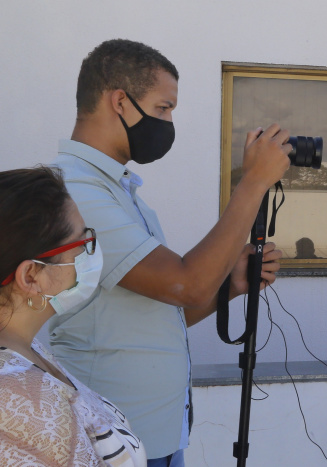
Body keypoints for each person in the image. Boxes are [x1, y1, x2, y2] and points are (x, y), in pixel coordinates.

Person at [48, 39, 292, 466]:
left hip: (151, 435)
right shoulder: (78, 192)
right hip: (110, 443)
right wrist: (252, 183)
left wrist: (229, 288)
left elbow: (159, 312)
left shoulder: (117, 190)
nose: (169, 121)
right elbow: (184, 283)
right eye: (163, 107)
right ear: (120, 101)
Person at [0, 166, 146, 465]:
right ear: (31, 276)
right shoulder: (18, 397)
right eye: (82, 243)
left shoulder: (25, 349)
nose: (92, 251)